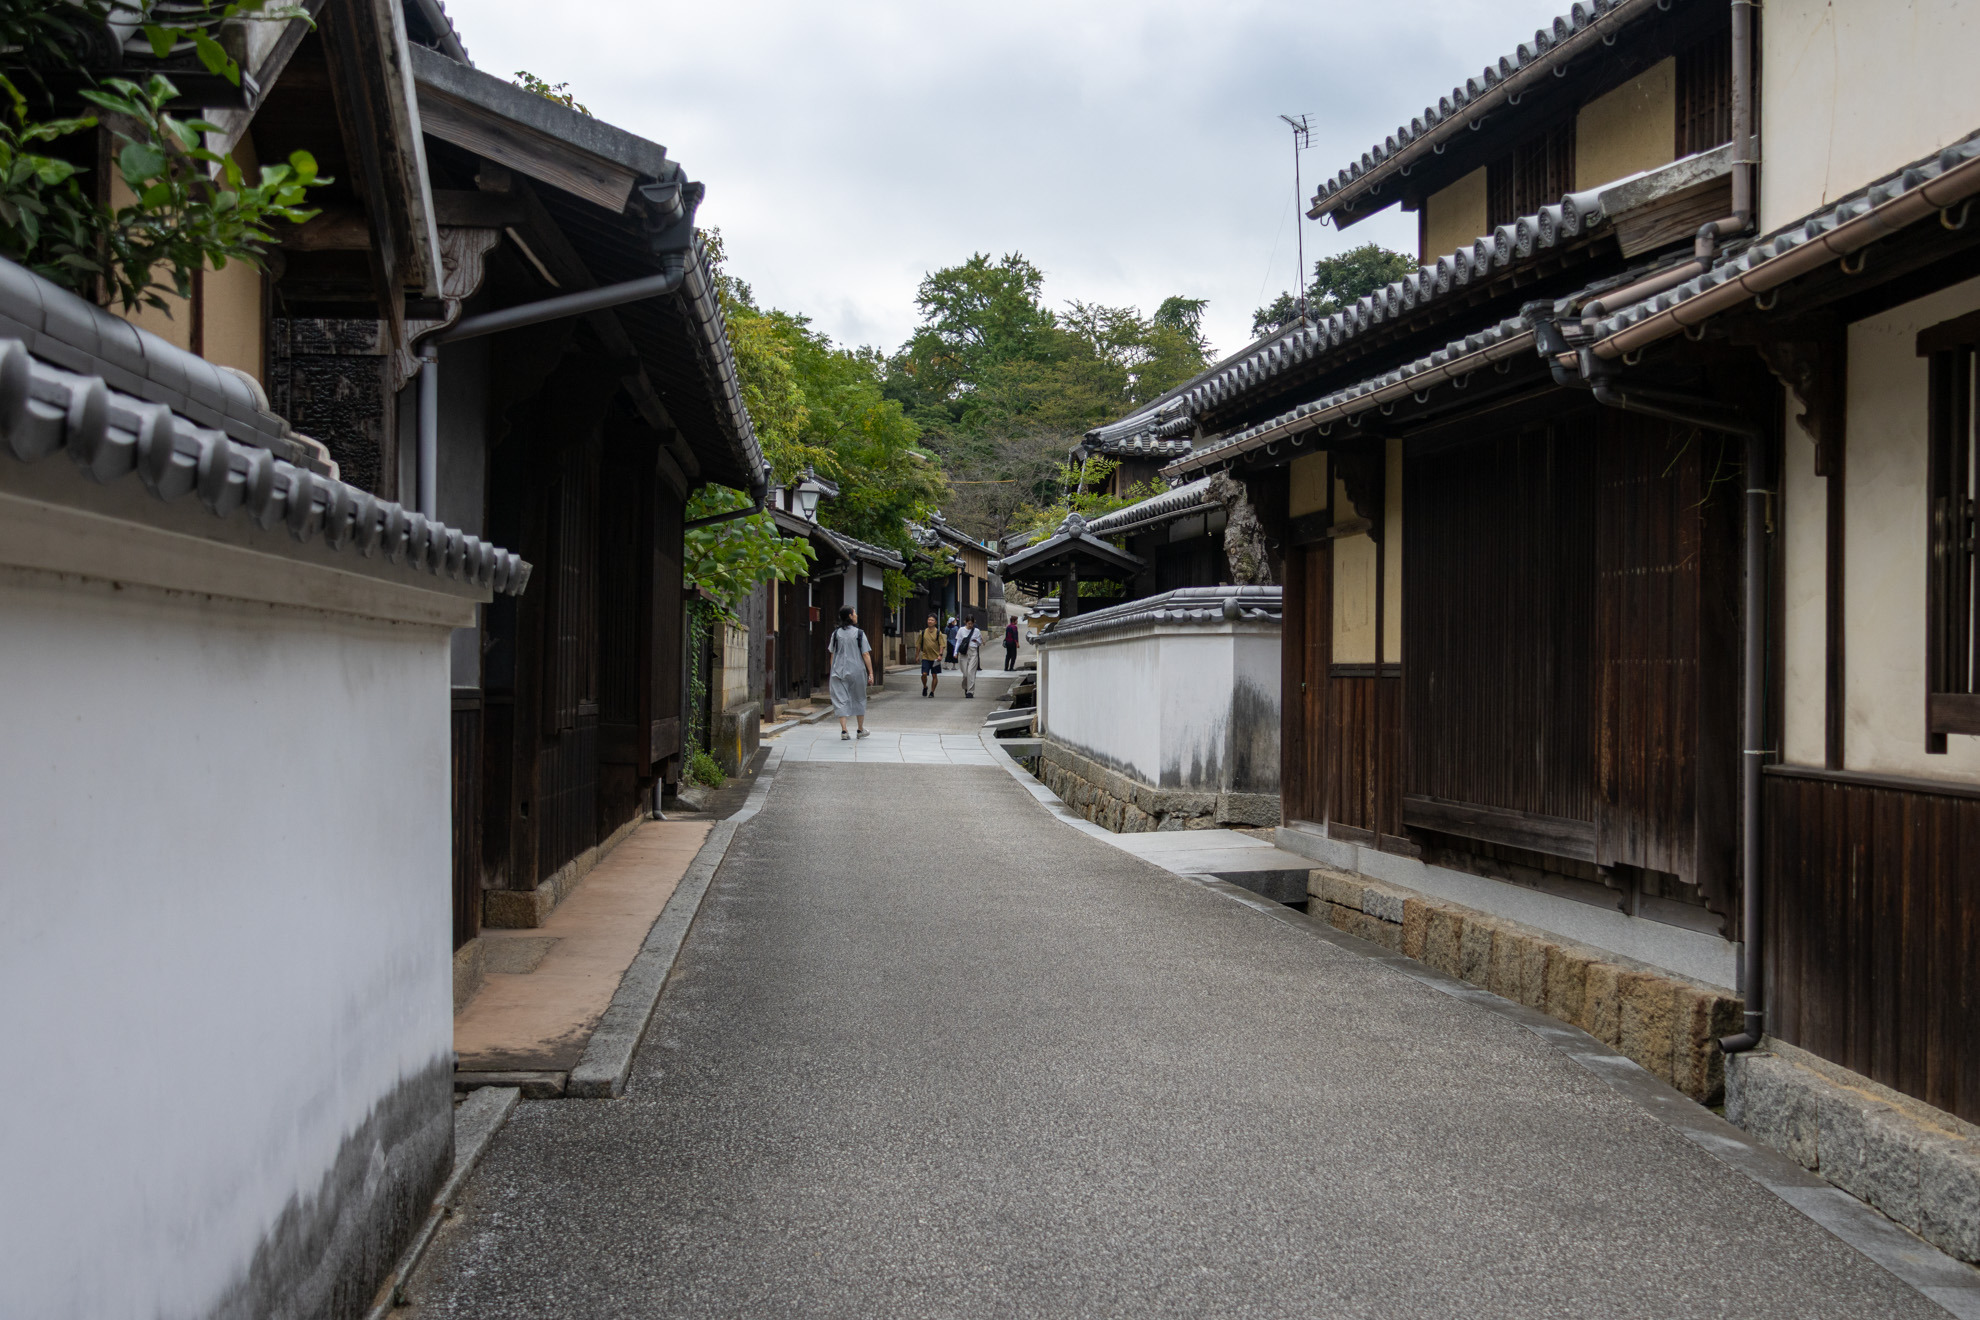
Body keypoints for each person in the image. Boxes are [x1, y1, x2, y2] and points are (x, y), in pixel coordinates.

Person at [827, 606, 874, 739]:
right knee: (859, 697)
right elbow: (865, 654)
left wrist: (832, 670)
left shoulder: (835, 634)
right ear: (850, 616)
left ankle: (844, 731)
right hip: (857, 670)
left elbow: (832, 654)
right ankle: (860, 730)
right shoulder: (859, 633)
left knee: (840, 699)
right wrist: (870, 672)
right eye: (854, 613)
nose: (856, 615)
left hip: (838, 670)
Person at [954, 614, 984, 699]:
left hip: (973, 651)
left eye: (972, 623)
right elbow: (958, 642)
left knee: (971, 672)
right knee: (965, 674)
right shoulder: (961, 630)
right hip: (964, 653)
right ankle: (966, 687)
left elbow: (979, 643)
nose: (970, 625)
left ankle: (970, 691)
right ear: (965, 622)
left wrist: (976, 641)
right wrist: (955, 653)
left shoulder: (977, 631)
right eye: (969, 623)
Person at [917, 613, 944, 697]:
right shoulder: (923, 632)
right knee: (924, 674)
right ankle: (925, 686)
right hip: (925, 656)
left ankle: (932, 692)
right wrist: (917, 655)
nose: (930, 621)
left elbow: (942, 645)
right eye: (929, 620)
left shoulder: (938, 632)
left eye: (932, 620)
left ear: (935, 622)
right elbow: (918, 644)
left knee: (934, 675)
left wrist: (940, 655)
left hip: (935, 658)